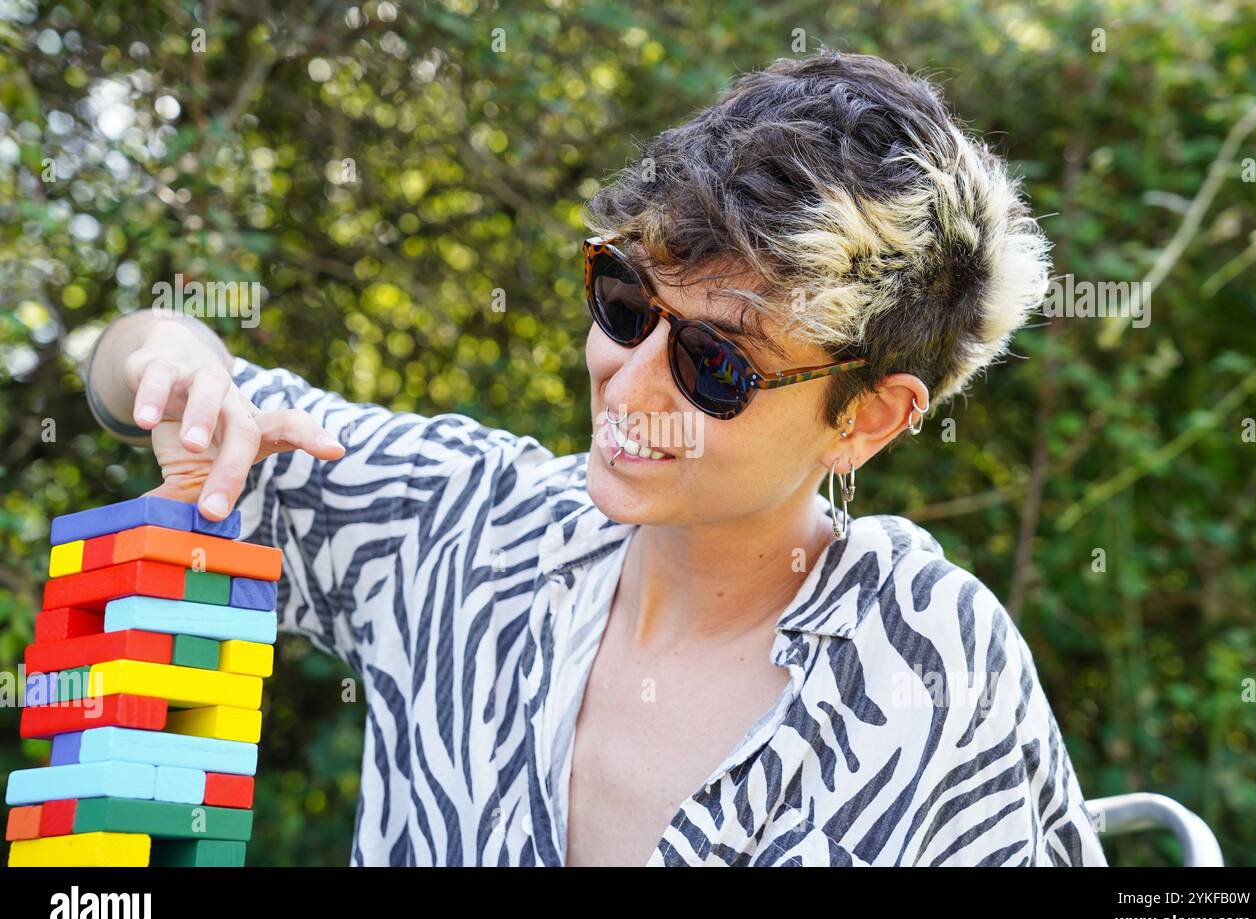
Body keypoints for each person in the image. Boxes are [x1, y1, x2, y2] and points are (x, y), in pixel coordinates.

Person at [84, 48, 1107, 866]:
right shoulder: (466, 522)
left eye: (716, 361)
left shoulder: (918, 659)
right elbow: (142, 352)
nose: (630, 378)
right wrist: (174, 366)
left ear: (869, 418)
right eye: (624, 303)